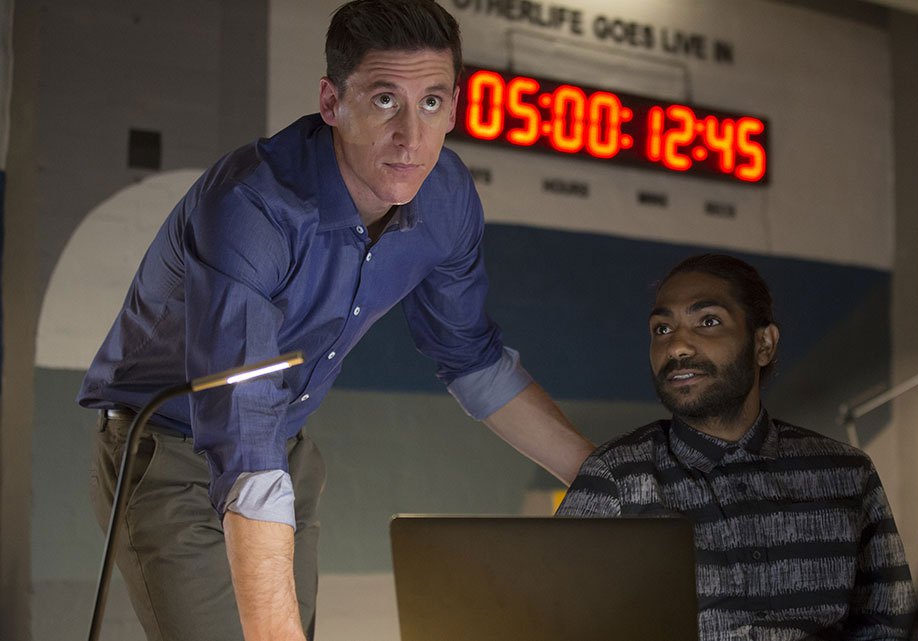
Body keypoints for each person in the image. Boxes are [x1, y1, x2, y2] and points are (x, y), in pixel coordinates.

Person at [79, 2, 593, 640]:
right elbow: (240, 423)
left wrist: (609, 481)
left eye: (432, 102)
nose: (411, 137)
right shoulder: (252, 204)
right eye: (385, 100)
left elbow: (472, 359)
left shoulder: (447, 198)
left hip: (284, 448)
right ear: (331, 102)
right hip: (166, 451)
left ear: (455, 108)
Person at [557, 254, 918, 640]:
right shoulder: (616, 476)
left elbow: (891, 628)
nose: (676, 347)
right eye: (662, 329)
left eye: (708, 321)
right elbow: (549, 618)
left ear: (763, 343)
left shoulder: (847, 473)